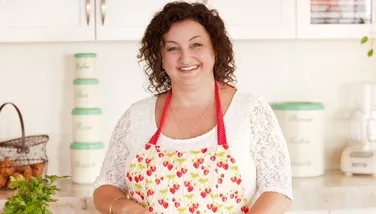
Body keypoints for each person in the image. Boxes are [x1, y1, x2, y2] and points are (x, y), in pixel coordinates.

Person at [93, 1, 293, 214]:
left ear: (215, 49)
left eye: (196, 45)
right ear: (160, 58)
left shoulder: (250, 111)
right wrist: (125, 208)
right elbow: (105, 186)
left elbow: (277, 188)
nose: (185, 57)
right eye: (172, 48)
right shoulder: (136, 116)